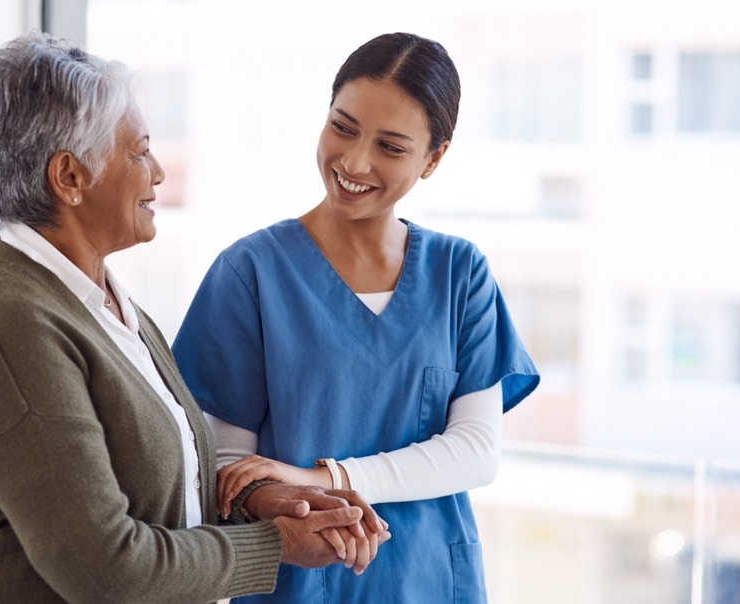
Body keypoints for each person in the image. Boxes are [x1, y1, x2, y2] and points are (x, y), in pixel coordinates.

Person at [0, 31, 390, 604]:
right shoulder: (14, 322)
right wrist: (274, 543)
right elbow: (105, 569)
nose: (158, 172)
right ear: (69, 178)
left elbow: (147, 484)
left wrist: (255, 499)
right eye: (138, 152)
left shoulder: (99, 299)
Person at [171, 32, 541, 603]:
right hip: (298, 582)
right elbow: (231, 467)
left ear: (433, 159)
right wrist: (285, 496)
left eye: (391, 147)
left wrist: (327, 478)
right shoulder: (250, 273)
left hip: (430, 582)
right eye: (343, 127)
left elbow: (475, 450)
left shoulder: (459, 273)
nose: (354, 161)